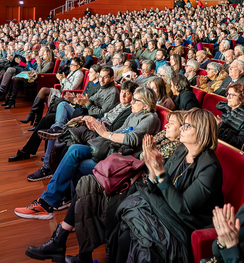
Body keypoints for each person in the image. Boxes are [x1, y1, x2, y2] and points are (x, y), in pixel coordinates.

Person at [26, 110, 187, 263]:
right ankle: (61, 238)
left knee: (87, 181)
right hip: (129, 170)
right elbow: (137, 152)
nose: (166, 125)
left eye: (172, 123)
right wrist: (144, 154)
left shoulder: (175, 146)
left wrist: (145, 157)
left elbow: (155, 172)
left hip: (139, 185)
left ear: (183, 129)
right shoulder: (162, 136)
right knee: (86, 181)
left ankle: (77, 253)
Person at [107, 108, 223, 263]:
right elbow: (158, 185)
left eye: (187, 126)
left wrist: (160, 174)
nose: (182, 129)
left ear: (201, 131)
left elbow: (183, 208)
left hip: (183, 225)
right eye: (183, 125)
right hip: (163, 210)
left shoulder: (210, 167)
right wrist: (153, 171)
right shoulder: (181, 150)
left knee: (142, 249)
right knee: (125, 231)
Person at [14, 87, 159, 220]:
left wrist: (105, 133)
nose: (131, 102)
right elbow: (117, 131)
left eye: (135, 100)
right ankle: (51, 203)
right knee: (74, 149)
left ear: (146, 105)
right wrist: (98, 128)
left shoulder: (150, 118)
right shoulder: (134, 114)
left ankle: (61, 207)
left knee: (75, 164)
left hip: (118, 159)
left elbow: (131, 139)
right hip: (108, 148)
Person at [19, 57, 85, 126]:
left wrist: (63, 79)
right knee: (43, 90)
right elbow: (64, 85)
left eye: (72, 65)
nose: (70, 66)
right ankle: (33, 118)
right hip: (62, 90)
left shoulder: (79, 74)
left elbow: (72, 88)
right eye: (70, 64)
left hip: (67, 94)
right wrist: (61, 80)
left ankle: (34, 119)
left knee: (43, 94)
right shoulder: (73, 72)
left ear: (78, 66)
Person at [216, 82, 244, 151]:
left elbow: (240, 143)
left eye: (231, 95)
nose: (227, 97)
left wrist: (220, 127)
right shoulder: (228, 108)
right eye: (228, 94)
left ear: (241, 98)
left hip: (228, 151)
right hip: (219, 144)